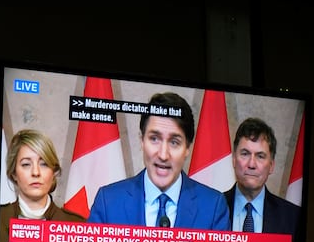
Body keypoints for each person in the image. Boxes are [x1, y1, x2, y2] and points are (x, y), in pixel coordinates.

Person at [88, 91, 230, 230]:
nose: (163, 155)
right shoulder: (108, 202)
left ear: (187, 148)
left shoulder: (213, 207)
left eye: (174, 142)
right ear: (142, 140)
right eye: (154, 139)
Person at [0, 128, 85, 242]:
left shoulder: (78, 226)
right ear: (13, 173)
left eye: (44, 163)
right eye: (26, 164)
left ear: (54, 171)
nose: (36, 172)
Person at [224, 117, 301, 235]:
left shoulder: (293, 217)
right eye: (245, 154)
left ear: (271, 165)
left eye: (260, 156)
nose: (251, 164)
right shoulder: (213, 209)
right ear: (234, 160)